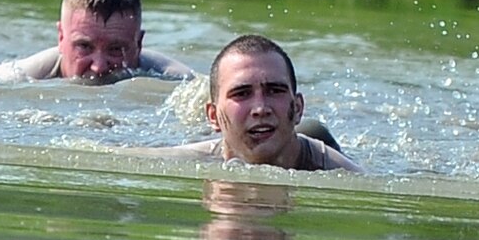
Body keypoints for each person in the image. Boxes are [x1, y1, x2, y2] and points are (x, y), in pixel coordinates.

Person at [133, 34, 363, 172]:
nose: (260, 108)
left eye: (275, 90)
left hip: (311, 141)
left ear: (298, 107)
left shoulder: (340, 172)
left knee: (316, 131)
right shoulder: (191, 160)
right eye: (241, 93)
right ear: (213, 116)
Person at [0, 0, 194, 84]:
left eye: (115, 49)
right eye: (84, 47)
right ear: (61, 38)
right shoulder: (16, 80)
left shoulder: (178, 81)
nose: (99, 66)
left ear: (138, 43)